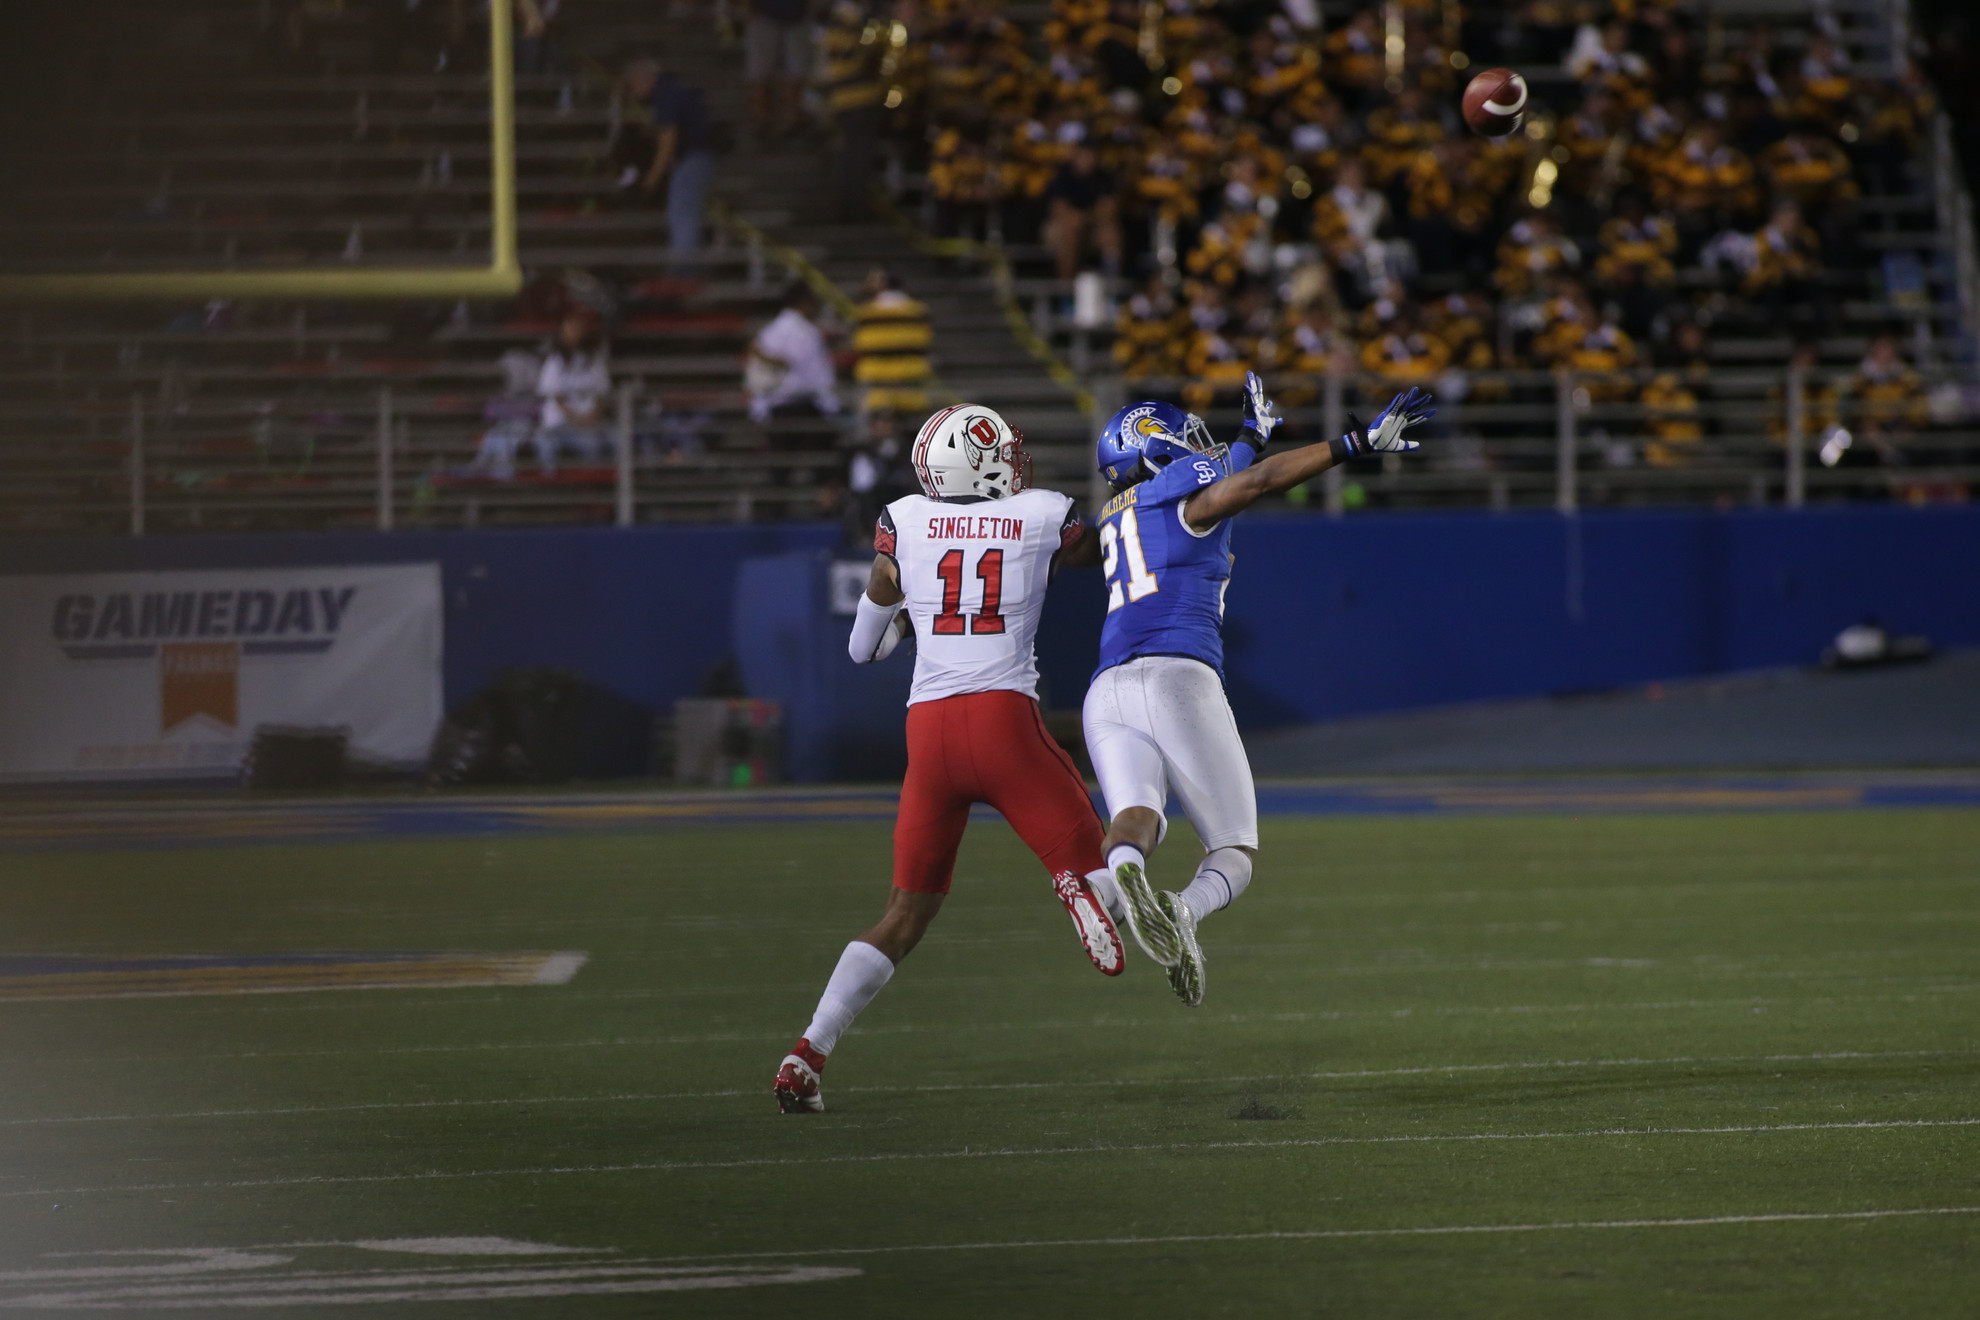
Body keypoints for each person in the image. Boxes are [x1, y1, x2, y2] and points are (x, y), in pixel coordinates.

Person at [773, 404, 1125, 1113]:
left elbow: (862, 648)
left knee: (904, 913)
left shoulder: (902, 521)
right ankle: (1073, 888)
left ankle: (806, 1054)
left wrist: (917, 613)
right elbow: (1099, 546)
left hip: (929, 737)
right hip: (1004, 723)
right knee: (1103, 871)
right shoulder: (1040, 512)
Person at [1080, 374, 1435, 1005]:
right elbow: (1257, 482)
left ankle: (1106, 884)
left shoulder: (1116, 516)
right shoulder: (1181, 500)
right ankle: (1182, 914)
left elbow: (1232, 472)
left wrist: (1248, 436)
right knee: (1234, 851)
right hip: (1176, 676)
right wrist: (1353, 442)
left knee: (1138, 822)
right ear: (1155, 448)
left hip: (1106, 690)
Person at [622, 56, 716, 272]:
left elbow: (669, 138)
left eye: (632, 85)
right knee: (683, 211)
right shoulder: (674, 86)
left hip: (696, 156)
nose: (633, 92)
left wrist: (653, 178)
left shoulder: (666, 92)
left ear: (642, 79)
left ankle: (683, 271)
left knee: (681, 212)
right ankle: (684, 268)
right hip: (696, 154)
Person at [746, 288, 840, 423]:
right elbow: (792, 363)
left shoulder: (771, 330)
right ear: (804, 303)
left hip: (785, 403)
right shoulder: (802, 330)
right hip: (796, 403)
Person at [533, 311, 611, 472]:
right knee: (547, 442)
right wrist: (578, 420)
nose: (573, 334)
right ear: (562, 334)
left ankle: (590, 484)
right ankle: (551, 482)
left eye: (577, 329)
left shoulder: (595, 360)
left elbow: (602, 393)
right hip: (560, 423)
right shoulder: (554, 361)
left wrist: (591, 417)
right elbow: (556, 398)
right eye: (569, 330)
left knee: (603, 441)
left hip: (590, 422)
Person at [742, 0, 811, 139]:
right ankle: (761, 119)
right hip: (764, 16)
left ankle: (791, 119)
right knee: (759, 73)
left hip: (796, 18)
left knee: (796, 71)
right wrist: (748, 11)